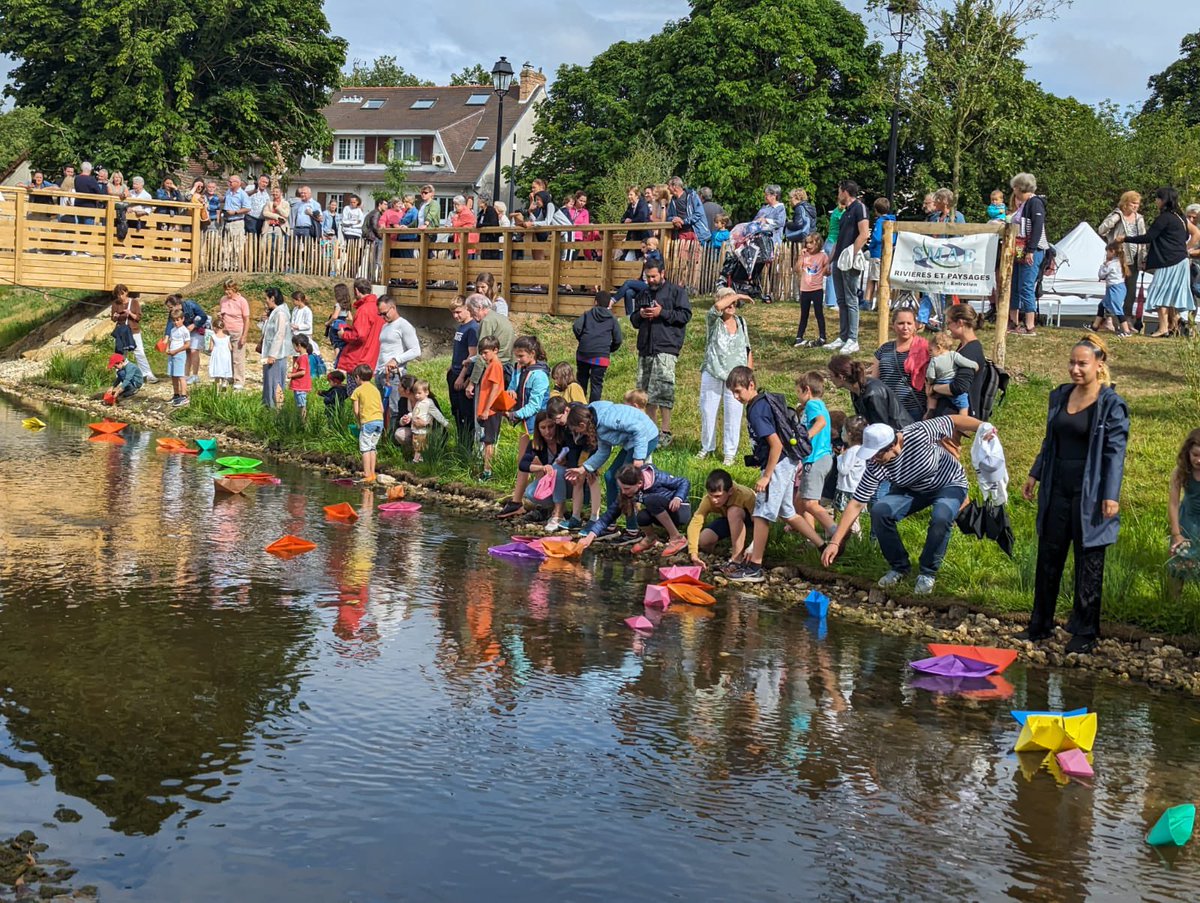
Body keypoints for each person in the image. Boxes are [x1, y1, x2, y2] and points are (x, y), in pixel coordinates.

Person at [1020, 335, 1128, 652]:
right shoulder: (1061, 395)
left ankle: (1084, 631)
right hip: (1057, 483)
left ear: (1099, 365)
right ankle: (1039, 625)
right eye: (1072, 362)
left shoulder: (1111, 404)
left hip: (1091, 488)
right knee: (1049, 556)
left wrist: (1111, 494)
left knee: (1088, 559)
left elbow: (1115, 453)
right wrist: (1035, 472)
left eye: (1082, 363)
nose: (1075, 369)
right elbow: (1049, 440)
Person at [822, 413, 991, 594]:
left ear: (893, 446)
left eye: (877, 455)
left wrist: (984, 427)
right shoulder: (875, 464)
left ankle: (928, 572)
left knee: (941, 516)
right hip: (912, 489)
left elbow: (953, 420)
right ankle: (899, 567)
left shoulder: (918, 433)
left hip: (949, 482)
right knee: (879, 511)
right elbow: (856, 503)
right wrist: (835, 542)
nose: (873, 459)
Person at [723, 366, 826, 584]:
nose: (736, 396)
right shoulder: (761, 402)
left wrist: (767, 476)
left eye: (739, 391)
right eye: (733, 392)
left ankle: (755, 567)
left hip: (778, 463)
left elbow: (776, 445)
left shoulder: (757, 410)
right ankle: (823, 545)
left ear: (752, 384)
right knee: (787, 511)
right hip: (787, 461)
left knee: (762, 514)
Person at [1115, 186, 1200, 338]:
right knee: (1172, 294)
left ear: (1163, 200)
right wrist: (1184, 250)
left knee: (1159, 292)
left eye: (1158, 198)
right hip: (1180, 261)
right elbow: (1192, 234)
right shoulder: (1180, 217)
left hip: (1168, 262)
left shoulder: (1165, 218)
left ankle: (1163, 328)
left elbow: (1148, 237)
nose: (1156, 201)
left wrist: (1125, 239)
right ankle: (1175, 323)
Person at [564, 401, 659, 533]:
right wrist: (583, 469)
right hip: (631, 442)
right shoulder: (596, 425)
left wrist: (638, 457)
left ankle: (632, 528)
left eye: (576, 430)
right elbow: (603, 452)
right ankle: (610, 524)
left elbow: (639, 429)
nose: (577, 433)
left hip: (646, 438)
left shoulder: (608, 420)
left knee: (625, 481)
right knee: (610, 476)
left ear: (582, 425)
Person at [629, 261, 692, 446]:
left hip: (666, 347)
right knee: (645, 392)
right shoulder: (643, 293)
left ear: (663, 273)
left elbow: (685, 316)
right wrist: (641, 314)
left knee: (664, 390)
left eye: (654, 276)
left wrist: (661, 313)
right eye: (647, 277)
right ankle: (651, 430)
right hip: (645, 348)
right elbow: (633, 320)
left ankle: (665, 431)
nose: (650, 280)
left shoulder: (676, 292)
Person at [576, 463, 692, 557]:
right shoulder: (628, 492)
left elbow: (684, 482)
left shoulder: (658, 478)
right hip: (661, 513)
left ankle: (677, 538)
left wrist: (678, 498)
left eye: (626, 488)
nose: (624, 492)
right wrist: (589, 537)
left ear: (640, 483)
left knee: (650, 500)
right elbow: (609, 515)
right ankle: (650, 538)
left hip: (679, 511)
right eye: (621, 488)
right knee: (641, 516)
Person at [496, 336, 551, 518]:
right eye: (516, 356)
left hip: (539, 425)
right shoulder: (519, 368)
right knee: (523, 463)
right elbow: (513, 386)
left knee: (537, 463)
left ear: (532, 354)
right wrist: (510, 394)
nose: (518, 360)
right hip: (525, 425)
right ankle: (517, 502)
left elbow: (535, 405)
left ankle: (542, 504)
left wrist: (515, 414)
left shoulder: (539, 375)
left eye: (521, 356)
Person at [699, 286, 753, 466]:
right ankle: (707, 447)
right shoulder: (714, 320)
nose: (731, 304)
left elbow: (747, 349)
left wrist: (749, 374)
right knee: (708, 411)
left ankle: (729, 453)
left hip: (736, 376)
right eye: (727, 300)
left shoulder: (741, 322)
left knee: (733, 414)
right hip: (713, 371)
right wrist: (736, 294)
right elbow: (716, 307)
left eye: (734, 301)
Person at [827, 180, 869, 354]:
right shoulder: (844, 213)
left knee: (851, 299)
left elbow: (864, 234)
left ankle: (853, 339)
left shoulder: (860, 208)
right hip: (838, 260)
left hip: (849, 261)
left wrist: (851, 254)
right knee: (841, 300)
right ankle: (843, 336)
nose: (838, 195)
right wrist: (829, 261)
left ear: (845, 191)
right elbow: (838, 239)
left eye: (839, 191)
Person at [686, 468, 754, 572]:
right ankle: (723, 553)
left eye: (718, 496)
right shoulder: (708, 500)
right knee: (704, 540)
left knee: (733, 511)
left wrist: (754, 546)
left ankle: (737, 559)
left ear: (730, 491)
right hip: (729, 518)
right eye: (711, 495)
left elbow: (761, 522)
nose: (714, 500)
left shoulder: (745, 495)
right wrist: (694, 554)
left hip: (750, 518)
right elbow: (695, 523)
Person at [795, 371, 837, 539]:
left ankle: (836, 530)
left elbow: (821, 422)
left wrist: (806, 437)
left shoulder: (812, 404)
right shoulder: (817, 404)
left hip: (817, 458)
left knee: (810, 502)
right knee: (801, 499)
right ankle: (810, 536)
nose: (797, 396)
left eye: (798, 392)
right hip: (815, 459)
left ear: (807, 390)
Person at [928, 304, 989, 418]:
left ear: (960, 323)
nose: (948, 328)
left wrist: (933, 388)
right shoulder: (964, 346)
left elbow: (959, 387)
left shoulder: (970, 352)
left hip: (955, 415)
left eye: (949, 323)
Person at [1097, 191, 1147, 331]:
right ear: (1125, 203)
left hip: (1134, 260)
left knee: (1130, 291)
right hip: (1118, 259)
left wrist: (1143, 258)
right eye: (1132, 203)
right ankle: (1108, 319)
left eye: (1137, 203)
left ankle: (1126, 320)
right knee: (1114, 289)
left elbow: (1143, 239)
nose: (1135, 206)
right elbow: (1102, 230)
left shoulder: (1139, 219)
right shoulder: (1117, 215)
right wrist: (1115, 218)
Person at [1008, 173, 1049, 336]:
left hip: (1032, 250)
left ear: (1019, 188)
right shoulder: (1024, 204)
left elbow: (1038, 227)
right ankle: (1013, 321)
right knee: (1015, 285)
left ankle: (1030, 325)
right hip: (1020, 250)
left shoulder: (1035, 203)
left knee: (1026, 286)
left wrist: (1031, 250)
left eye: (1015, 187)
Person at [871, 308, 929, 424]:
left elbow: (930, 380)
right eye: (901, 323)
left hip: (914, 409)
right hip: (887, 408)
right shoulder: (884, 349)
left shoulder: (925, 349)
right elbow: (874, 380)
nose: (905, 327)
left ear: (915, 325)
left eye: (909, 323)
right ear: (893, 325)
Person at [519, 411, 572, 531]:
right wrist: (542, 468)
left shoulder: (565, 439)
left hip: (570, 482)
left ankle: (558, 514)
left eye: (551, 426)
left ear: (556, 426)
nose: (547, 431)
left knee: (557, 469)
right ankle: (556, 508)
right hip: (553, 482)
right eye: (543, 428)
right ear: (538, 429)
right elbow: (523, 465)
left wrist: (567, 462)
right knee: (530, 492)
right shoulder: (536, 443)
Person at [828, 354, 911, 429]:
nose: (830, 379)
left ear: (841, 377)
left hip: (901, 435)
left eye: (831, 376)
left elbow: (881, 428)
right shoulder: (856, 389)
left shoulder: (873, 394)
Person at [573, 290, 623, 402]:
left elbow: (576, 327)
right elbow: (618, 339)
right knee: (596, 384)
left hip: (583, 353)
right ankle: (593, 412)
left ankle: (579, 408)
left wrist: (581, 339)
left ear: (595, 302)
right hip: (601, 356)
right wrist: (609, 349)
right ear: (609, 303)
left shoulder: (587, 314)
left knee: (581, 381)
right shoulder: (612, 318)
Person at [1167, 429, 1200, 595]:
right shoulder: (1181, 472)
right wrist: (1176, 533)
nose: (1198, 460)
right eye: (1195, 455)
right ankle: (1174, 606)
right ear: (1188, 452)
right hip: (1187, 521)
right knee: (1180, 563)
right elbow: (1173, 503)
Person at [465, 293, 515, 403]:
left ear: (479, 307)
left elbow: (482, 355)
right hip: (505, 368)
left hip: (490, 370)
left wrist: (472, 382)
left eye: (471, 311)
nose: (471, 315)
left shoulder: (487, 321)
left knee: (482, 407)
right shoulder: (500, 318)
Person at [337, 279, 383, 386]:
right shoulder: (377, 307)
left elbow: (359, 335)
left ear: (356, 291)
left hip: (359, 357)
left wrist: (344, 334)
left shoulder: (364, 309)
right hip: (372, 355)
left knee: (355, 393)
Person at [447, 296, 478, 445]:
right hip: (454, 371)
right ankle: (461, 443)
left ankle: (466, 446)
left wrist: (462, 376)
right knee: (456, 412)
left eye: (458, 312)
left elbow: (472, 355)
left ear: (467, 309)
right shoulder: (461, 327)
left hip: (462, 375)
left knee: (465, 414)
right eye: (453, 313)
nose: (455, 316)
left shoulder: (472, 328)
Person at [109, 285, 157, 383]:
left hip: (133, 330)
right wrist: (115, 316)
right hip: (121, 332)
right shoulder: (115, 304)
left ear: (126, 292)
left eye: (122, 294)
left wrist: (129, 313)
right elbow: (113, 319)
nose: (120, 297)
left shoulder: (134, 302)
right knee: (121, 354)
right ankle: (121, 376)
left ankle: (147, 374)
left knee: (139, 352)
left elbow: (138, 318)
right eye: (118, 295)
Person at [474, 335, 506, 480]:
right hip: (488, 410)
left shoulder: (495, 365)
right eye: (482, 353)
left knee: (489, 442)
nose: (483, 355)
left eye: (486, 352)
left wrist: (487, 409)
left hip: (492, 411)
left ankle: (488, 472)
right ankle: (486, 469)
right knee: (487, 441)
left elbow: (495, 388)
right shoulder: (491, 365)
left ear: (495, 350)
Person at [926, 330, 978, 417]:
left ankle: (931, 411)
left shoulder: (934, 360)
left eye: (931, 350)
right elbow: (965, 362)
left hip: (939, 383)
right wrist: (975, 366)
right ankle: (963, 420)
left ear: (939, 348)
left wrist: (930, 382)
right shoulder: (954, 355)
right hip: (951, 383)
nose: (929, 353)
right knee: (963, 404)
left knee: (932, 396)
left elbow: (930, 375)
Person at [375, 295, 421, 384]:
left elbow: (416, 350)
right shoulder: (385, 326)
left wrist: (396, 360)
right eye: (380, 314)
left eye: (384, 313)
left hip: (394, 375)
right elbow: (383, 350)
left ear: (393, 308)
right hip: (380, 374)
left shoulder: (404, 325)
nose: (382, 317)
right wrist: (376, 370)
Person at [793, 232, 829, 347]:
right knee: (804, 314)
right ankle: (799, 336)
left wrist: (825, 270)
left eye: (811, 243)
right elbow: (796, 269)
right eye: (806, 243)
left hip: (817, 289)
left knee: (819, 313)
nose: (808, 245)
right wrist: (801, 256)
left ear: (817, 243)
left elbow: (828, 272)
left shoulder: (823, 256)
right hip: (805, 290)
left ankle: (822, 336)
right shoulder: (805, 256)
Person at [350, 364, 384, 483]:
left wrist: (359, 422)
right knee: (372, 447)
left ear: (358, 377)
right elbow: (382, 408)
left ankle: (366, 473)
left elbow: (356, 410)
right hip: (379, 421)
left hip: (367, 422)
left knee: (365, 448)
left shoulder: (357, 391)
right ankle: (373, 473)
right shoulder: (376, 390)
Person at [401, 379, 448, 464]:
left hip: (422, 430)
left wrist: (445, 423)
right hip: (416, 429)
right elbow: (416, 412)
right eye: (415, 393)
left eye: (419, 393)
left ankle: (416, 461)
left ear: (426, 392)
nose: (417, 395)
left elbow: (437, 414)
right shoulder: (419, 402)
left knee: (419, 446)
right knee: (417, 445)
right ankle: (421, 460)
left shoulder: (428, 403)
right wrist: (409, 416)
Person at [1092, 241, 1133, 337]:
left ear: (1112, 251)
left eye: (1107, 252)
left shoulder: (1111, 264)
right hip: (1119, 287)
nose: (1106, 254)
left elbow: (1101, 275)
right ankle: (1095, 326)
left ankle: (1126, 331)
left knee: (1117, 309)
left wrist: (1103, 265)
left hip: (1115, 289)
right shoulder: (1120, 262)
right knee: (1102, 305)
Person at [260, 287, 292, 408]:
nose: (265, 301)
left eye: (266, 299)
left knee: (275, 382)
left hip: (276, 355)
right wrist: (264, 321)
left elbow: (280, 334)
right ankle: (269, 406)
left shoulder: (280, 313)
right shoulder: (275, 312)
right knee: (269, 381)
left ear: (272, 298)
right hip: (271, 353)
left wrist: (273, 354)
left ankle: (277, 409)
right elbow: (268, 332)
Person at [218, 279, 250, 390]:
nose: (227, 293)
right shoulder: (223, 299)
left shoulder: (242, 301)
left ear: (235, 289)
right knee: (226, 356)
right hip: (226, 331)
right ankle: (228, 377)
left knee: (238, 357)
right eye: (225, 290)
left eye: (229, 290)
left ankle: (239, 380)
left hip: (237, 331)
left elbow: (246, 319)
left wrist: (244, 335)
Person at [866, 197, 896, 311]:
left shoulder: (879, 221)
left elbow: (877, 237)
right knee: (883, 279)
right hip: (888, 254)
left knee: (875, 279)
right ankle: (884, 303)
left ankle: (873, 303)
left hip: (877, 253)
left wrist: (871, 245)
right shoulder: (892, 220)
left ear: (876, 210)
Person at [665, 176, 711, 244]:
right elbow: (668, 216)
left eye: (669, 186)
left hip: (695, 233)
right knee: (681, 254)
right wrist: (674, 219)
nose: (668, 188)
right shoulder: (672, 201)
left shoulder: (692, 196)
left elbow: (698, 213)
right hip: (681, 234)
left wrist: (683, 221)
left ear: (674, 186)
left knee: (696, 254)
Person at [165, 308, 190, 407]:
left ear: (182, 319)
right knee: (173, 375)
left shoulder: (184, 330)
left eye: (177, 320)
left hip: (179, 354)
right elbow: (170, 340)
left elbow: (187, 344)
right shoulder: (173, 330)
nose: (175, 322)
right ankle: (176, 394)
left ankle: (184, 396)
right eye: (174, 320)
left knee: (180, 376)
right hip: (172, 354)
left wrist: (176, 351)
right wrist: (167, 348)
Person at [621, 186, 651, 258]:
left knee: (643, 260)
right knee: (628, 260)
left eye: (631, 194)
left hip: (643, 237)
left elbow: (642, 218)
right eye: (628, 194)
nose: (629, 196)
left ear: (637, 195)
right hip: (633, 238)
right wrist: (625, 220)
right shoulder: (630, 206)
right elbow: (622, 218)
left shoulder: (642, 204)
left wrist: (631, 221)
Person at [289, 334, 313, 420]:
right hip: (299, 386)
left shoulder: (303, 358)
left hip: (300, 386)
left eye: (294, 346)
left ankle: (303, 422)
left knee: (302, 405)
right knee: (299, 404)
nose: (294, 348)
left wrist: (291, 375)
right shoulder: (302, 357)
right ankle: (300, 420)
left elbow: (302, 372)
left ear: (298, 345)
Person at [208, 315, 233, 389]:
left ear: (215, 327)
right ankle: (224, 382)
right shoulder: (227, 337)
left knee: (217, 368)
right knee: (224, 367)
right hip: (225, 354)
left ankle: (216, 385)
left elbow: (211, 348)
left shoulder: (213, 336)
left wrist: (208, 350)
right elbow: (230, 348)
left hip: (217, 354)